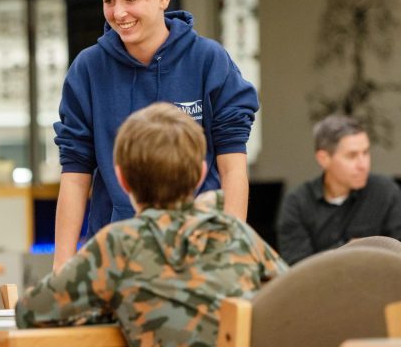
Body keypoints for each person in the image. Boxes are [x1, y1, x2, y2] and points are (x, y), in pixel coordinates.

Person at [53, 0, 259, 270]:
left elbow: (233, 166)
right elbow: (75, 173)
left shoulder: (209, 61)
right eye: (109, 0)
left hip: (199, 252)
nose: (118, 12)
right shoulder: (88, 69)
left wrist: (231, 250)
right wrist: (62, 265)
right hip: (115, 256)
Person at [17, 103, 286, 346]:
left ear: (121, 179)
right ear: (200, 175)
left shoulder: (119, 244)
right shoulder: (237, 234)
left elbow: (29, 311)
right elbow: (294, 296)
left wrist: (110, 309)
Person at [277, 114, 401, 264]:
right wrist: (348, 250)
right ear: (324, 159)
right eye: (352, 156)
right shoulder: (297, 203)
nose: (363, 165)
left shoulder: (386, 192)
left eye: (366, 152)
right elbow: (296, 266)